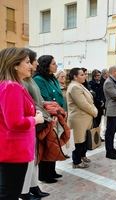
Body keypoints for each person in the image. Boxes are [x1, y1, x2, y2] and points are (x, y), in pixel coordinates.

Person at [0, 47, 44, 200]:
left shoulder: (12, 86)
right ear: (14, 65)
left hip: (13, 150)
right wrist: (35, 119)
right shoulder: (11, 87)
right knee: (9, 194)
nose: (31, 66)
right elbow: (14, 122)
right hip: (14, 152)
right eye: (27, 62)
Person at [21, 49, 50, 199]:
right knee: (29, 159)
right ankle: (25, 191)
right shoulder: (20, 82)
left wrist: (45, 104)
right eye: (32, 61)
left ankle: (34, 186)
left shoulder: (30, 79)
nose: (36, 64)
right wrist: (38, 116)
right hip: (32, 122)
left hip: (37, 119)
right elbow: (28, 105)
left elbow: (36, 99)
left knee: (34, 157)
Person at [33, 55, 64, 183]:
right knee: (47, 145)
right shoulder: (39, 79)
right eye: (53, 63)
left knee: (54, 144)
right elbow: (44, 98)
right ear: (46, 65)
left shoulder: (52, 78)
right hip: (48, 116)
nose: (56, 65)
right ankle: (44, 175)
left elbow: (58, 95)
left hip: (57, 115)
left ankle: (52, 170)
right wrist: (53, 114)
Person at [66, 68, 98, 168]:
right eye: (82, 75)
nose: (84, 76)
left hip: (84, 118)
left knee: (84, 139)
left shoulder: (79, 85)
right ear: (75, 77)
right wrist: (94, 111)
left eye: (84, 74)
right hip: (78, 119)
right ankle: (76, 162)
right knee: (78, 141)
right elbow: (83, 104)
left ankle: (82, 156)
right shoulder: (74, 87)